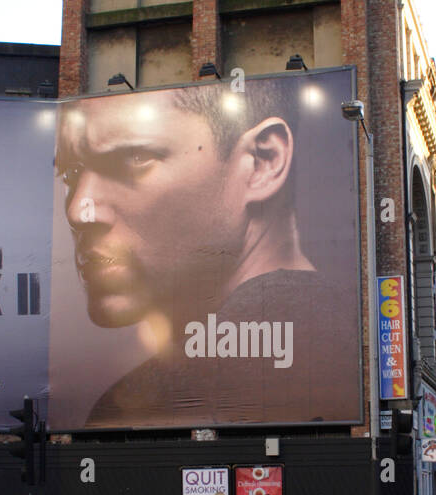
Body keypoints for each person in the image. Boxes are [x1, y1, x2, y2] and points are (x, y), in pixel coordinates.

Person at [53, 77, 359, 429]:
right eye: (71, 172)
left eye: (134, 158)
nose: (79, 209)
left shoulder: (144, 404)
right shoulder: (350, 336)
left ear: (263, 162)